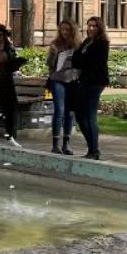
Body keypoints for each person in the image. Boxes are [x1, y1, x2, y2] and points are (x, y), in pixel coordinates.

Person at [73, 16, 110, 160]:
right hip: (84, 80)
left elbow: (92, 62)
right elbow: (77, 61)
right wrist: (80, 58)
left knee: (90, 115)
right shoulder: (87, 42)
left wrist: (82, 60)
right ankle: (91, 147)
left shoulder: (102, 43)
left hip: (95, 82)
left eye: (94, 26)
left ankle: (94, 150)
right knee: (79, 115)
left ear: (99, 28)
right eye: (89, 26)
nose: (91, 28)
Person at [46, 20, 81, 155]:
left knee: (69, 112)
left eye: (68, 30)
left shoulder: (78, 45)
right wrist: (54, 54)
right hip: (58, 79)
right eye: (63, 30)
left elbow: (81, 64)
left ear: (73, 31)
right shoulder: (55, 44)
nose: (65, 32)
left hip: (72, 80)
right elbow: (49, 64)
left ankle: (66, 143)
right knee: (59, 110)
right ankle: (55, 144)